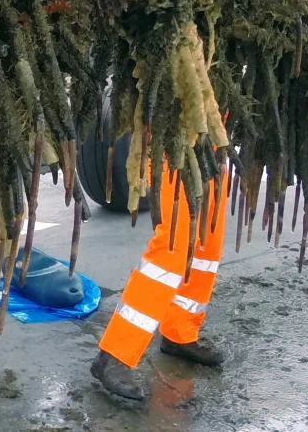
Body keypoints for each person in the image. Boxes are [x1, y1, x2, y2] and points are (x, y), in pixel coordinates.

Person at [91, 159, 230, 401]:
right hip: (174, 138)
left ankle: (180, 333)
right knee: (174, 244)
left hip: (215, 141)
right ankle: (114, 354)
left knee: (207, 239)